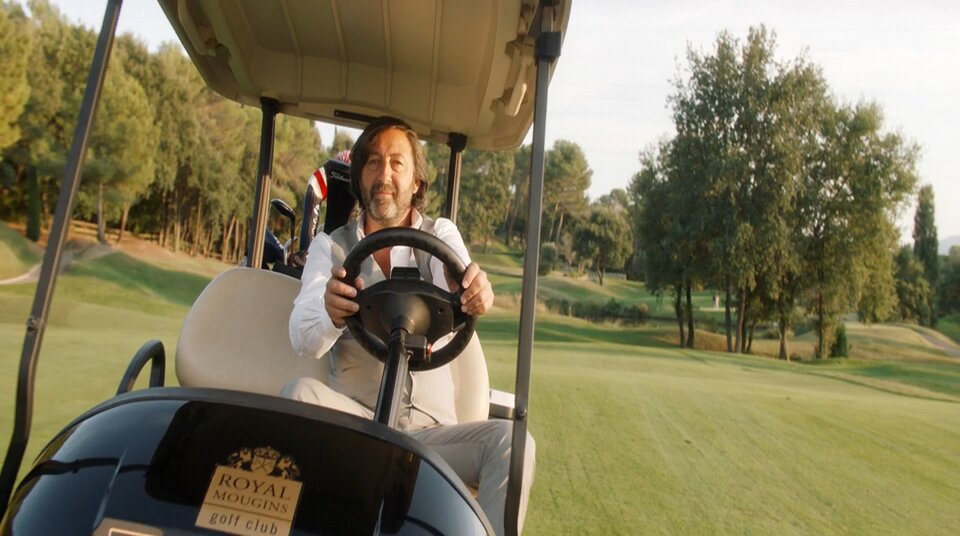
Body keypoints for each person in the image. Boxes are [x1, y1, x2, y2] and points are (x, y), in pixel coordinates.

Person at [284, 116, 534, 535]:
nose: (384, 175)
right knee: (298, 395)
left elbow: (453, 275)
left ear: (416, 180)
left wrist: (471, 291)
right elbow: (302, 336)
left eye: (397, 163)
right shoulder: (331, 248)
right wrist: (329, 310)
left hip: (432, 441)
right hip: (358, 427)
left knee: (514, 444)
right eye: (373, 163)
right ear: (359, 177)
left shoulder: (439, 236)